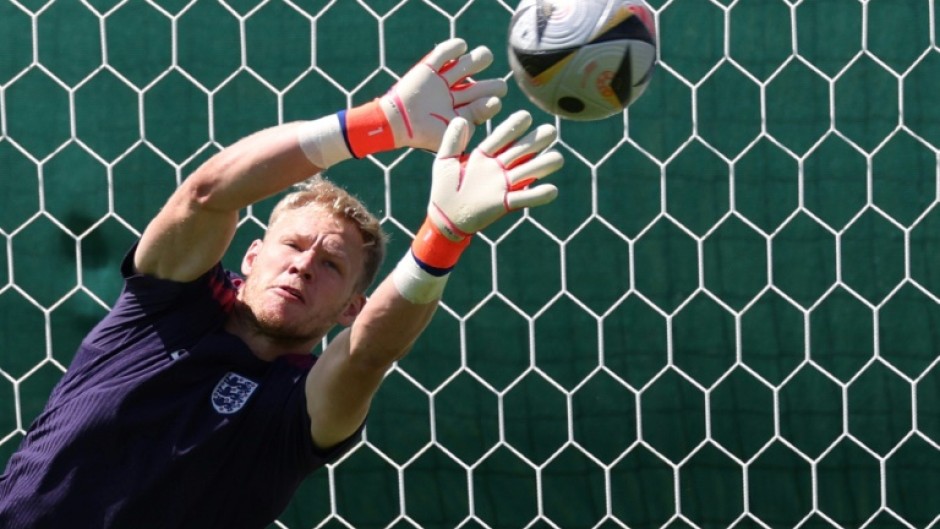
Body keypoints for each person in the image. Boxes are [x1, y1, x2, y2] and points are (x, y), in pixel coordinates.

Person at [0, 38, 564, 528]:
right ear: (250, 255)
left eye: (331, 266)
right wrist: (382, 121)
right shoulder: (159, 310)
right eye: (293, 246)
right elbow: (206, 195)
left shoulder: (300, 406)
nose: (303, 266)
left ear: (351, 307)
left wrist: (442, 234)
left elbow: (367, 356)